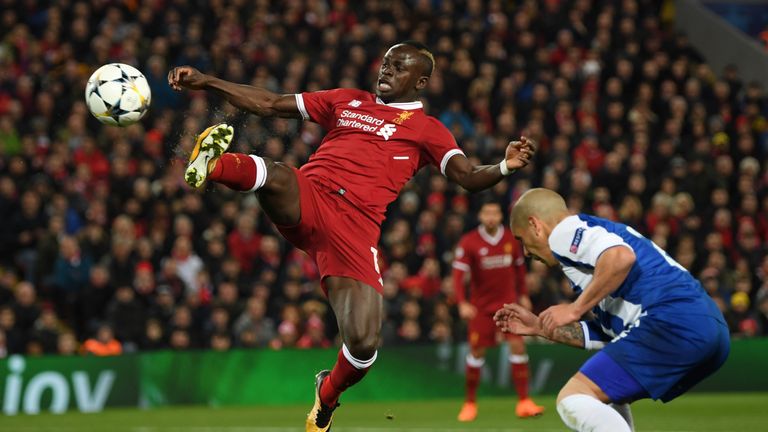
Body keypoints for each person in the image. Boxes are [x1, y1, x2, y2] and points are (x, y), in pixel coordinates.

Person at [168, 40, 535, 432]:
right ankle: (215, 165)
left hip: (355, 230)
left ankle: (326, 396)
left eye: (398, 66)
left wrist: (504, 166)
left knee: (362, 345)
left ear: (421, 81)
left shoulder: (428, 130)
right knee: (276, 176)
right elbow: (270, 103)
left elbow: (466, 176)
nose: (386, 70)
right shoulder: (347, 101)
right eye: (385, 63)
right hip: (311, 195)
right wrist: (207, 82)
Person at [494, 188, 730, 432]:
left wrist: (575, 308)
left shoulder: (563, 232)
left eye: (521, 239)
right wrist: (541, 328)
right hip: (710, 328)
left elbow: (620, 257)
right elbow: (610, 333)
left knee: (573, 398)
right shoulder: (592, 260)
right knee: (607, 395)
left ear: (535, 225)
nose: (525, 252)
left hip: (672, 319)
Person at [452, 200, 543, 421]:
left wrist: (524, 295)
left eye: (495, 212)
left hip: (508, 305)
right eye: (487, 213)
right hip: (481, 309)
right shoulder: (469, 241)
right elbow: (457, 275)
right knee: (476, 353)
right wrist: (461, 302)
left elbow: (520, 270)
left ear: (501, 215)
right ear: (481, 216)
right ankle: (470, 403)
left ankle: (524, 401)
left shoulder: (512, 238)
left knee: (518, 347)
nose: (491, 217)